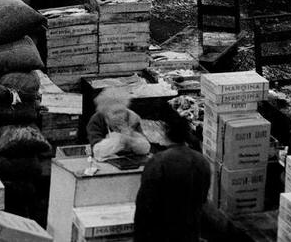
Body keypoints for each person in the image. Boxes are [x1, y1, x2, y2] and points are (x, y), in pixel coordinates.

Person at [133, 107, 211, 242]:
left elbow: (144, 207)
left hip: (161, 234)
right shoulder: (201, 161)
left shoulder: (158, 163)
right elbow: (202, 200)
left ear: (165, 132)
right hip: (189, 233)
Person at [85, 87, 151, 161]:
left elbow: (145, 148)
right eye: (115, 113)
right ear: (106, 113)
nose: (120, 115)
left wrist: (132, 141)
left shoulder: (132, 119)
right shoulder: (97, 120)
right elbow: (97, 150)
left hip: (131, 159)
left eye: (122, 111)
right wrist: (120, 140)